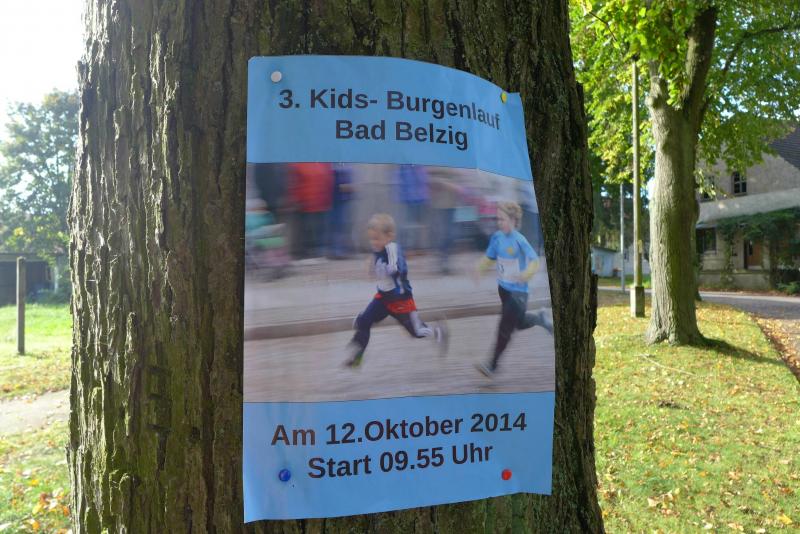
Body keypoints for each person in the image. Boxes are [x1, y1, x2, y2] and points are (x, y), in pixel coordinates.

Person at [344, 214, 448, 367]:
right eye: (371, 239)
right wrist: (371, 265)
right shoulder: (378, 248)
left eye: (377, 239)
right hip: (383, 298)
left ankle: (438, 331)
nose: (373, 243)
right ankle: (357, 357)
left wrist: (386, 269)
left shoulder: (392, 249)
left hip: (400, 300)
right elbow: (376, 260)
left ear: (389, 236)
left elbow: (395, 267)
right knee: (364, 321)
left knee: (416, 332)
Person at [473, 201, 553, 377]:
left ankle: (491, 365)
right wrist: (479, 268)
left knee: (504, 327)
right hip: (503, 290)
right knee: (519, 322)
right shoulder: (497, 237)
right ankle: (540, 319)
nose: (499, 222)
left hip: (519, 293)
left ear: (513, 220)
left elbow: (535, 261)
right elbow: (490, 257)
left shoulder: (519, 240)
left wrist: (525, 275)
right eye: (498, 219)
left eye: (503, 219)